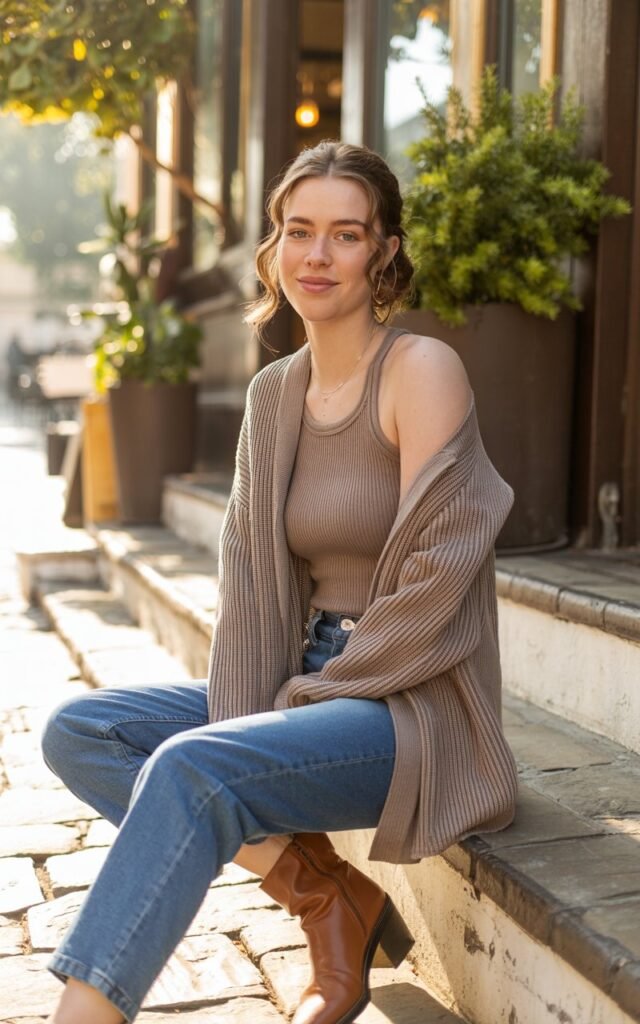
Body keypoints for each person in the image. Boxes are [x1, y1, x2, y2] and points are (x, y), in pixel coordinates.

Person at [42, 140, 518, 1024]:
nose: (317, 255)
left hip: (411, 699)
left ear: (382, 250)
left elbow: (437, 579)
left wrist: (308, 696)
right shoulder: (272, 396)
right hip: (309, 675)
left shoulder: (421, 372)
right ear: (274, 248)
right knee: (84, 731)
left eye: (345, 234)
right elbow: (255, 589)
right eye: (299, 231)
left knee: (193, 768)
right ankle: (326, 897)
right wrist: (258, 702)